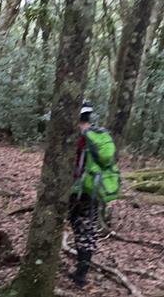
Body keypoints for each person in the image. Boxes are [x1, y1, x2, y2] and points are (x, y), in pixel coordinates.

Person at [69, 102, 116, 287]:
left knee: (80, 227)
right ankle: (82, 272)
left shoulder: (80, 137)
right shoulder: (99, 134)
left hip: (79, 190)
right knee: (89, 230)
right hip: (96, 189)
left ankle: (80, 275)